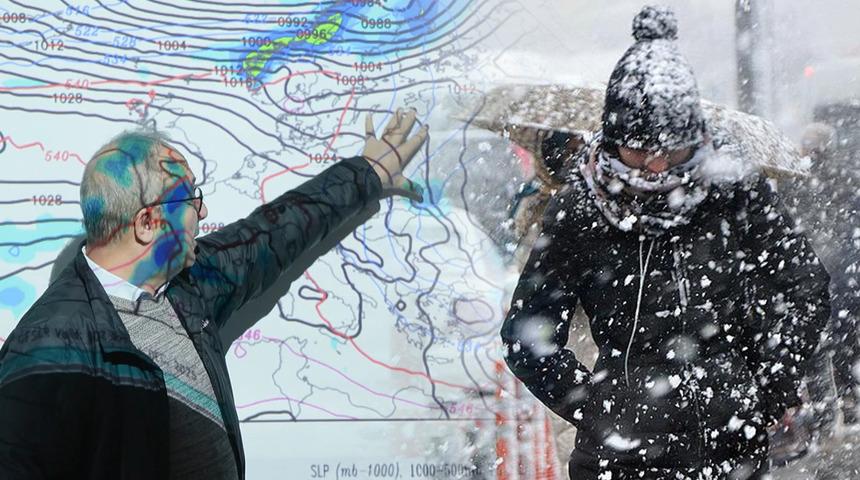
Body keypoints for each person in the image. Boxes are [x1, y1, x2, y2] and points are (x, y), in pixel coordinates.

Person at [0, 109, 428, 479]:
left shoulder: (187, 287)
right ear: (148, 223)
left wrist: (367, 172)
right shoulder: (50, 344)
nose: (202, 211)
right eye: (191, 198)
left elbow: (271, 233)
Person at [500, 6, 831, 479]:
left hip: (732, 451)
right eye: (638, 150)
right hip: (621, 460)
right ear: (612, 141)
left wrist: (768, 386)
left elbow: (805, 285)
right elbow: (526, 336)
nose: (655, 168)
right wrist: (597, 408)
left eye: (670, 151)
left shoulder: (734, 193)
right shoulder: (581, 210)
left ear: (695, 138)